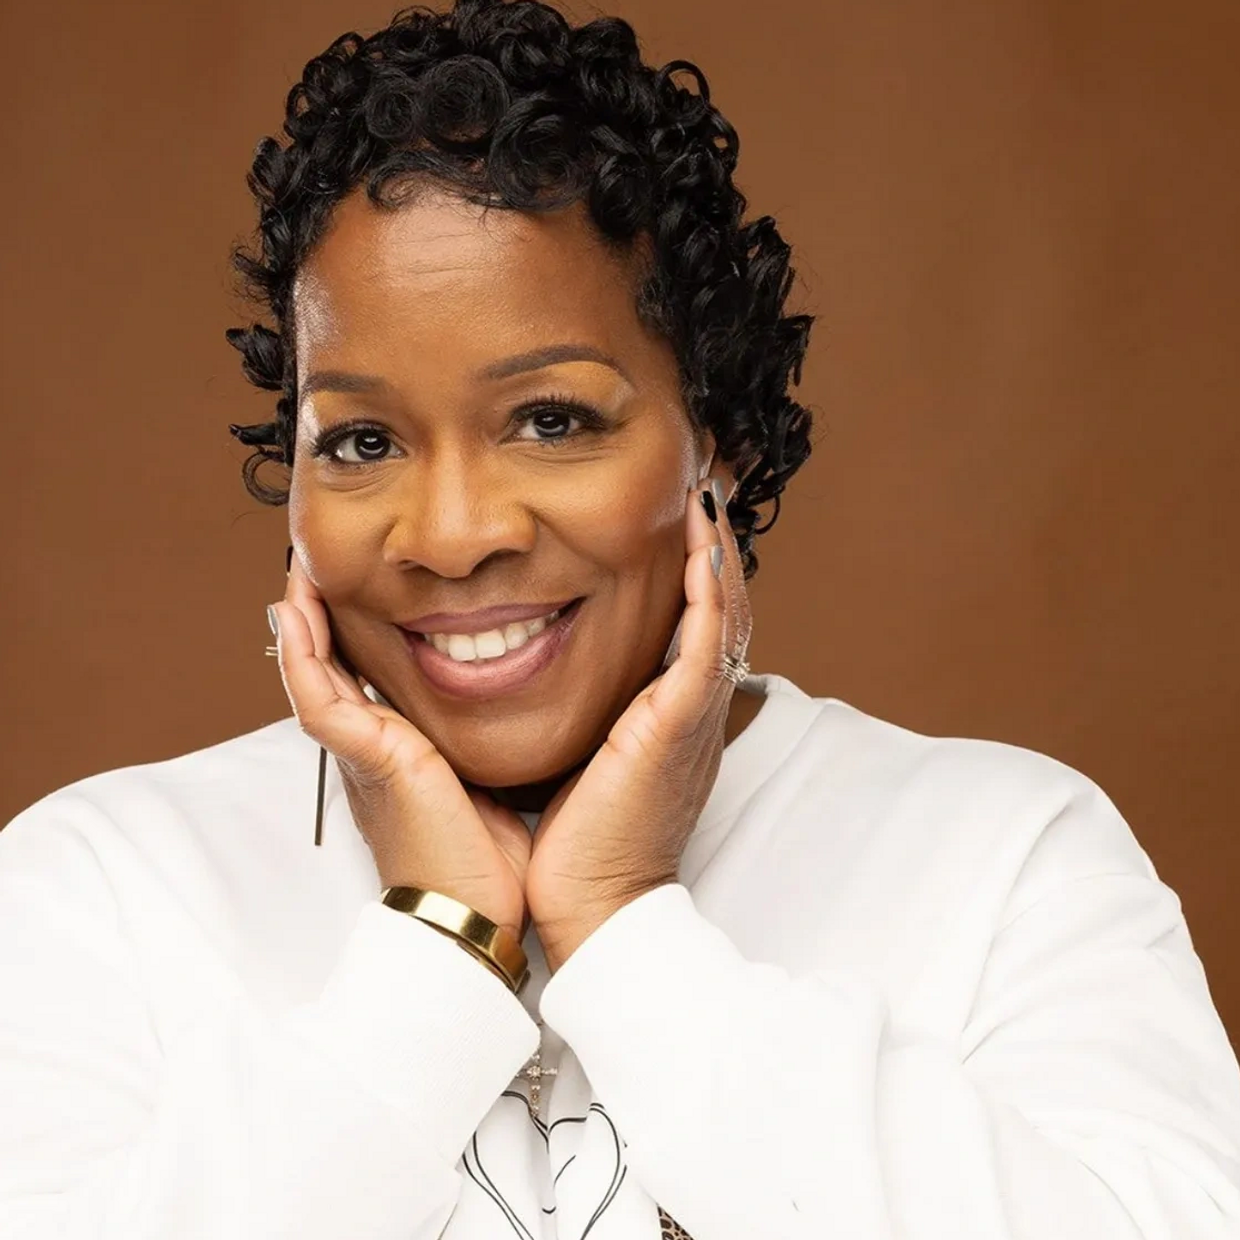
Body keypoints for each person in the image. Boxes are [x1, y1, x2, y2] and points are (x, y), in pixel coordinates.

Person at [2, 0, 1238, 1236]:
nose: (450, 532)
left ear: (722, 446)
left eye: (551, 418)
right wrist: (442, 939)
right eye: (364, 439)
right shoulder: (99, 889)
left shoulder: (1006, 862)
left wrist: (625, 925)